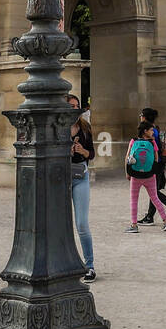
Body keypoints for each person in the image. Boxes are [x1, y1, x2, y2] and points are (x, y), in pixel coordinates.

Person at [68, 96, 96, 283]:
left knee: (82, 224)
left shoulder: (85, 127)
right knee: (57, 224)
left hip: (80, 177)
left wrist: (82, 151)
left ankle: (90, 266)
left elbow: (91, 154)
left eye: (77, 106)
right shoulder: (56, 127)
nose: (75, 109)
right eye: (71, 106)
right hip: (60, 178)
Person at [125, 123, 166, 233]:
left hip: (135, 175)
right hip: (149, 175)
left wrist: (128, 172)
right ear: (145, 131)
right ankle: (165, 221)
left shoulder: (133, 141)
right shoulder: (152, 142)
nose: (153, 132)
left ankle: (134, 225)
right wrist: (153, 171)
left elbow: (127, 157)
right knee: (155, 198)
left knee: (134, 200)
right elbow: (156, 159)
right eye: (151, 130)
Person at [138, 106, 166, 226]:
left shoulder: (150, 131)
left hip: (155, 164)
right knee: (154, 190)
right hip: (159, 164)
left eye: (141, 115)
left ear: (145, 117)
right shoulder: (154, 129)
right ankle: (150, 216)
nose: (140, 117)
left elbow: (152, 149)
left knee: (154, 192)